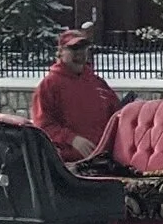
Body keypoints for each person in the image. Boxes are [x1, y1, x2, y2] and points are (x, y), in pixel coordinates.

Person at [31, 28, 122, 163]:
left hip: (102, 161)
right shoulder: (49, 85)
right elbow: (43, 126)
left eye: (84, 48)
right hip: (68, 165)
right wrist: (72, 139)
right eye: (74, 48)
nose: (80, 53)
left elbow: (116, 117)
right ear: (61, 52)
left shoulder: (97, 83)